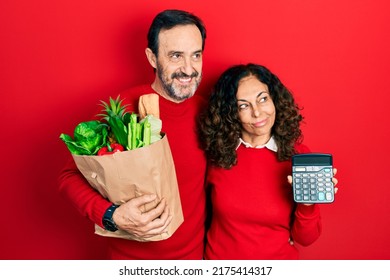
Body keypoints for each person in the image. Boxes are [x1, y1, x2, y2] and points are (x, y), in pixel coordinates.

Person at [58, 9, 208, 259]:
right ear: (152, 57)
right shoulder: (121, 109)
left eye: (196, 55)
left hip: (193, 261)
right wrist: (111, 215)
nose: (188, 69)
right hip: (131, 263)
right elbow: (68, 177)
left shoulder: (208, 111)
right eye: (175, 56)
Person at [198, 63, 339, 259]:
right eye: (243, 105)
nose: (257, 113)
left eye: (263, 99)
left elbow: (306, 238)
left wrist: (308, 204)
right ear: (230, 113)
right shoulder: (217, 154)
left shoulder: (297, 157)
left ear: (275, 99)